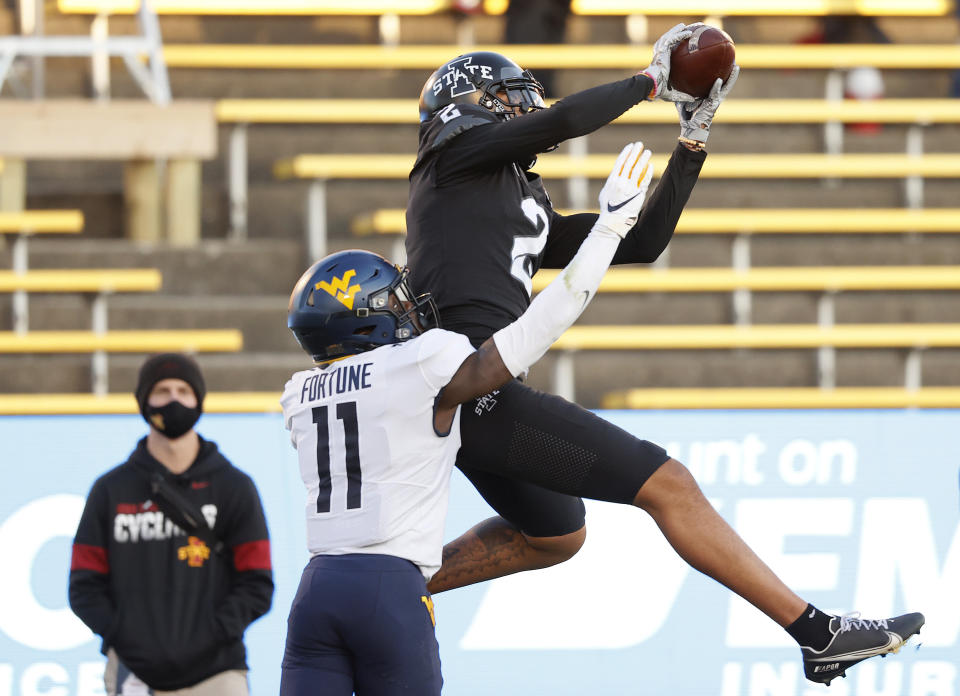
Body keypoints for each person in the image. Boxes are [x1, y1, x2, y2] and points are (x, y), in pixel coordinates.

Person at [405, 22, 924, 685]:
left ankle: (401, 582)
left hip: (473, 390)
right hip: (472, 384)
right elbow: (562, 119)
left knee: (556, 533)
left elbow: (642, 240)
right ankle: (817, 632)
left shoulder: (510, 196)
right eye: (510, 98)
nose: (524, 109)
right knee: (669, 484)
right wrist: (651, 81)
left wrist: (693, 138)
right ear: (472, 105)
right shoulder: (449, 165)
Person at [278, 141, 655, 695]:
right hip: (390, 586)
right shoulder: (420, 364)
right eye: (395, 301)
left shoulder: (298, 393)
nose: (409, 307)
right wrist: (605, 234)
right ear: (365, 321)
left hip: (317, 590)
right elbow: (534, 331)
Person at [69, 353, 274, 696]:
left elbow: (257, 583)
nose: (174, 399)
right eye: (162, 390)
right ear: (143, 401)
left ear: (199, 400)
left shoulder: (234, 486)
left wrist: (209, 636)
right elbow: (83, 586)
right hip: (134, 672)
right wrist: (125, 636)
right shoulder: (110, 490)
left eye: (184, 390)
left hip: (218, 672)